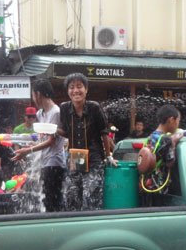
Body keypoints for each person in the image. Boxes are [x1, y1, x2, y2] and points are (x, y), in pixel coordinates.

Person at [58, 73, 117, 211]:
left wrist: (108, 156)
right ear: (68, 91)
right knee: (71, 197)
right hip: (75, 157)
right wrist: (53, 131)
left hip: (94, 158)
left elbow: (104, 133)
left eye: (79, 86)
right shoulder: (64, 108)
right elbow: (66, 132)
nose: (75, 90)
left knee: (90, 197)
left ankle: (91, 226)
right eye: (71, 87)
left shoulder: (94, 107)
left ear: (86, 89)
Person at [13, 79, 66, 212]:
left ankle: (55, 226)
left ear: (38, 94)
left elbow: (51, 141)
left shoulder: (56, 112)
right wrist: (34, 144)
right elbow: (43, 138)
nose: (33, 98)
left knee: (52, 200)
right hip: (44, 161)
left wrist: (28, 150)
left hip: (55, 162)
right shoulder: (40, 113)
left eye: (33, 94)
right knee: (44, 198)